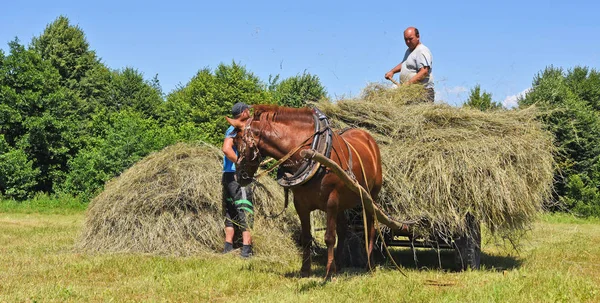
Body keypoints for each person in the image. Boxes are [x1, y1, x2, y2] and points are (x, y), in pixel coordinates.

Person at [221, 102, 254, 258]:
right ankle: (247, 249)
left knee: (230, 210)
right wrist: (240, 163)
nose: (249, 111)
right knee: (244, 209)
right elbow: (226, 148)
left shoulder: (230, 128)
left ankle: (228, 246)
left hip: (227, 175)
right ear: (243, 113)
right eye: (247, 110)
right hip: (237, 176)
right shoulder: (237, 128)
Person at [385, 26, 435, 102]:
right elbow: (405, 63)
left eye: (410, 39)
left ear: (418, 37)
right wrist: (392, 71)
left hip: (422, 92)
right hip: (410, 92)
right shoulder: (409, 51)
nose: (408, 42)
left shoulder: (421, 51)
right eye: (406, 39)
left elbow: (424, 72)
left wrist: (408, 84)